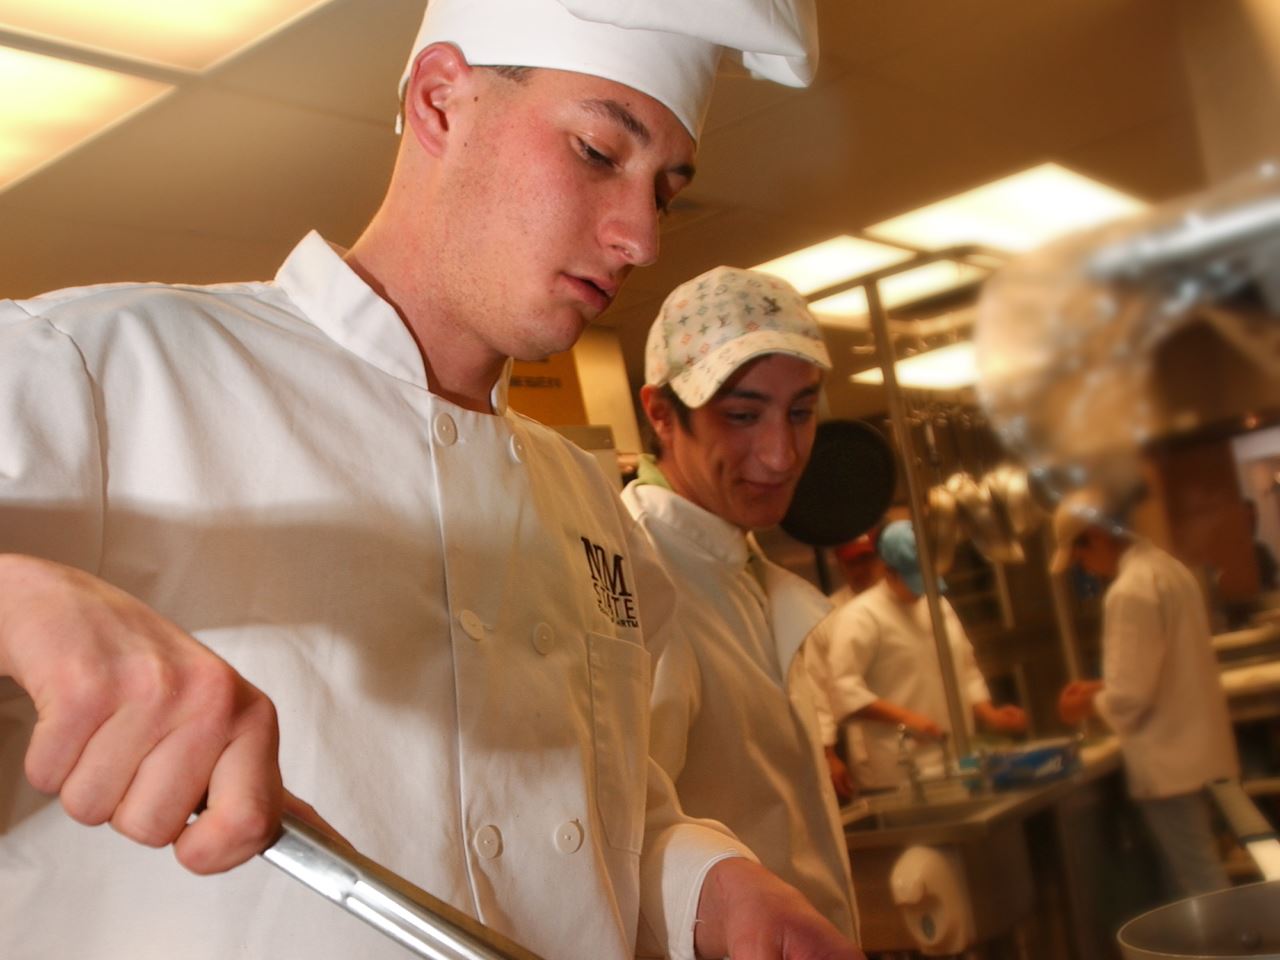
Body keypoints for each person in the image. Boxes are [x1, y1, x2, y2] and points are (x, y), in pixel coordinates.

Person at [0, 2, 864, 958]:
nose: (641, 238)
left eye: (663, 188)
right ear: (440, 99)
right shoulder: (105, 366)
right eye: (595, 152)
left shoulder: (585, 502)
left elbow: (594, 802)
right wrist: (22, 598)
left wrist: (709, 882)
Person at [622, 265, 859, 938]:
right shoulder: (639, 580)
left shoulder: (740, 565)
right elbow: (626, 842)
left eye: (801, 413)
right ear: (661, 414)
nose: (782, 454)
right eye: (742, 415)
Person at [1052, 490, 1240, 898]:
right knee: (1197, 878)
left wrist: (1083, 703)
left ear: (1097, 537)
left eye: (1081, 556)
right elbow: (1165, 667)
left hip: (1167, 765)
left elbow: (1130, 698)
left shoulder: (1129, 591)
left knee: (1200, 883)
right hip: (1197, 754)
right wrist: (1101, 687)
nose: (1085, 567)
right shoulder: (1168, 569)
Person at [806, 520, 1028, 791]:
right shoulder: (860, 616)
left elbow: (964, 666)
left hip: (959, 753)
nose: (919, 590)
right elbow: (842, 690)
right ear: (888, 571)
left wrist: (989, 714)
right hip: (903, 768)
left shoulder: (936, 604)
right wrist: (908, 719)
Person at [813, 533, 884, 800]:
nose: (862, 569)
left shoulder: (908, 602)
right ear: (840, 565)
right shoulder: (826, 616)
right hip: (865, 748)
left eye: (867, 558)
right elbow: (816, 688)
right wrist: (828, 755)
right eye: (853, 562)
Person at [828, 535, 883, 608]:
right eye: (851, 563)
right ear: (840, 566)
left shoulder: (900, 596)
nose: (859, 569)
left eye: (866, 559)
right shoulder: (831, 611)